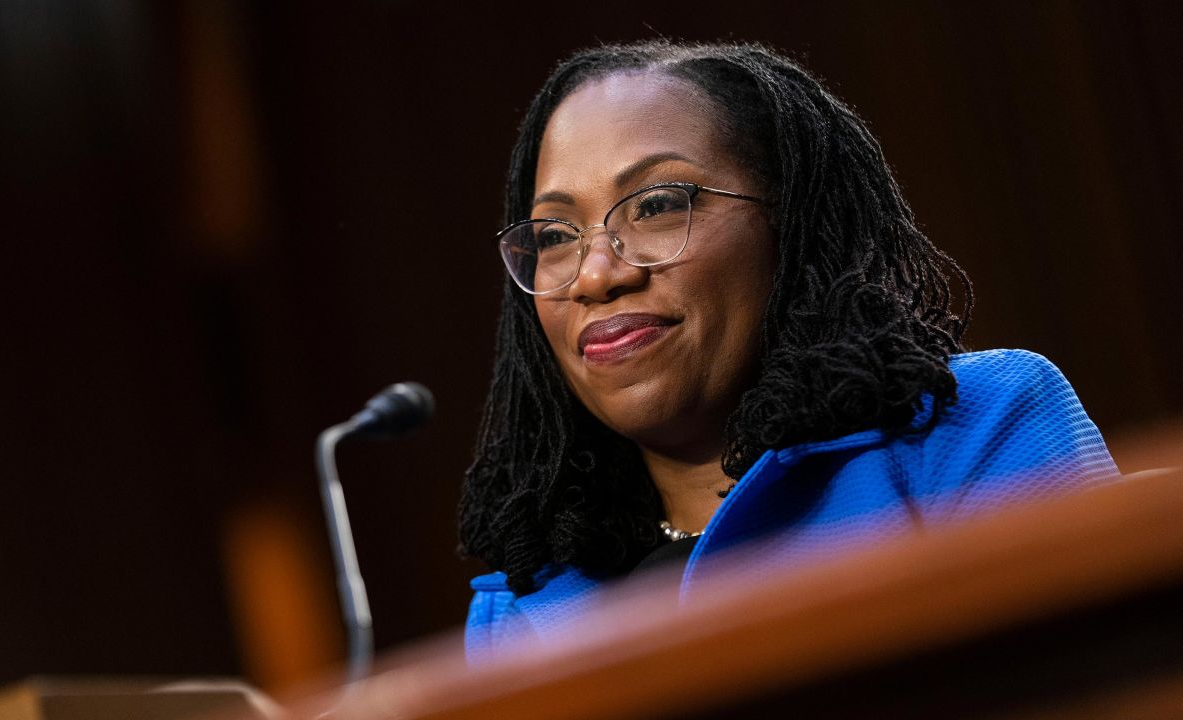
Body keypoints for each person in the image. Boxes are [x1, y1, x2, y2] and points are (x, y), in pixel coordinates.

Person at [457, 40, 1119, 660]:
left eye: (657, 205)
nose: (598, 273)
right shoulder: (516, 616)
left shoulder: (971, 432)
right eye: (553, 236)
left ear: (792, 223)